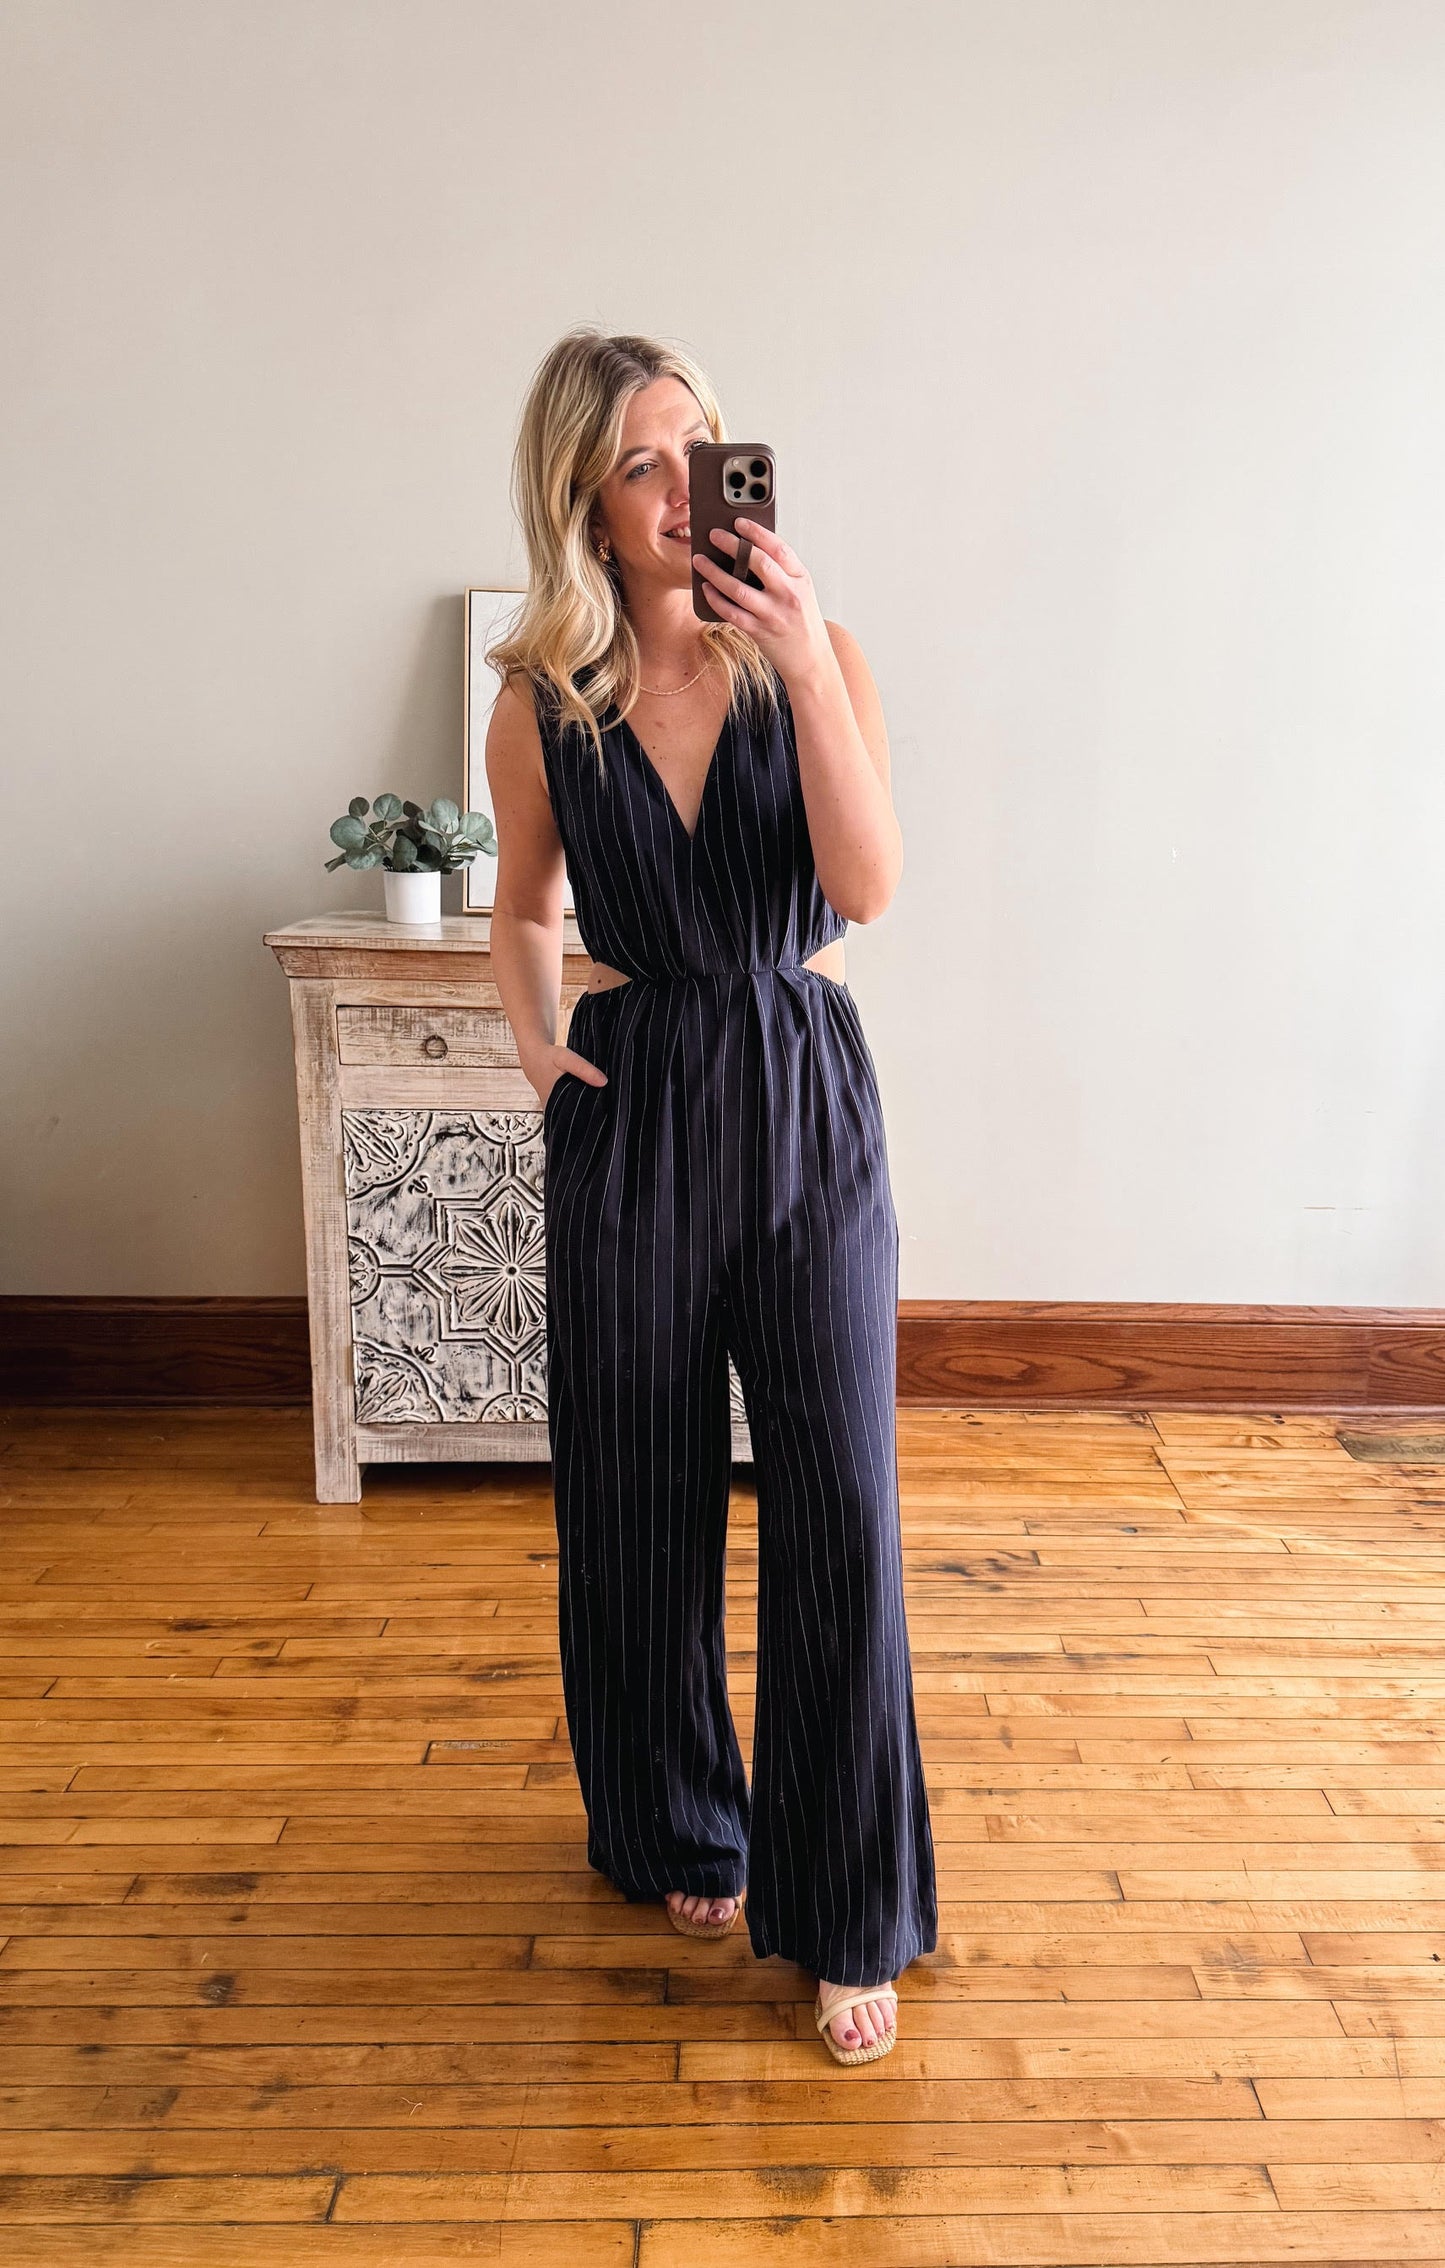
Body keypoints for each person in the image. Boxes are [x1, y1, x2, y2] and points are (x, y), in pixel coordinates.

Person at [486, 326, 936, 2065]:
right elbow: (527, 908)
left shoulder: (815, 657)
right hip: (638, 1107)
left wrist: (808, 668)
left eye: (702, 451)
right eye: (643, 465)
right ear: (585, 506)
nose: (684, 491)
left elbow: (868, 886)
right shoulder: (540, 704)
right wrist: (542, 1054)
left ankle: (844, 1910)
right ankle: (681, 1824)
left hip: (800, 1094)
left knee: (838, 1501)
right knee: (636, 1490)